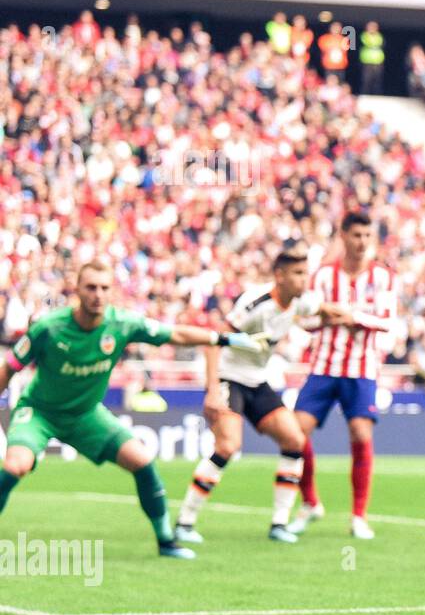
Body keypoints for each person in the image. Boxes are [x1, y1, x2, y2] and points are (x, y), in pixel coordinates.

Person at [0, 259, 262, 559]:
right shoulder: (48, 328)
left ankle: (166, 540)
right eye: (90, 287)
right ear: (77, 290)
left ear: (111, 291)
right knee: (15, 465)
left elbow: (175, 335)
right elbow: (9, 368)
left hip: (86, 414)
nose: (97, 294)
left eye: (104, 288)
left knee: (142, 460)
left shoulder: (123, 324)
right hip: (40, 413)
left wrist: (222, 338)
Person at [175, 244, 351, 544]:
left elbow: (322, 310)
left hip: (257, 381)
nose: (303, 279)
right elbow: (213, 341)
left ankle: (279, 523)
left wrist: (346, 316)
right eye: (297, 274)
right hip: (229, 378)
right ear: (279, 276)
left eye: (305, 273)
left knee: (295, 439)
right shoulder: (255, 302)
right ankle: (184, 523)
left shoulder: (299, 301)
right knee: (228, 446)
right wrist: (213, 390)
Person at [288, 211, 397, 540]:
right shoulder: (322, 276)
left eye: (367, 236)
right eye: (356, 236)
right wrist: (331, 319)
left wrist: (352, 317)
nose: (362, 242)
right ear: (343, 236)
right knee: (295, 432)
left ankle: (358, 516)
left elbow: (387, 320)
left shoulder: (383, 277)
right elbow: (304, 320)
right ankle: (309, 502)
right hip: (323, 366)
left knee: (361, 435)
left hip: (361, 369)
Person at [359, 21, 385, 94]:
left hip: (378, 62)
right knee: (366, 80)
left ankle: (377, 95)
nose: (372, 29)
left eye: (374, 27)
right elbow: (369, 42)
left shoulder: (379, 36)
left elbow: (379, 42)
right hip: (367, 62)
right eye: (371, 27)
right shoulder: (364, 35)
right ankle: (365, 94)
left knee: (377, 80)